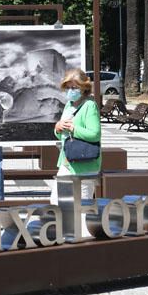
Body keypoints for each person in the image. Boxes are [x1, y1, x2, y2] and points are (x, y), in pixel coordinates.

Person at [52, 68, 102, 203]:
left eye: (74, 87)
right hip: (66, 162)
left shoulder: (89, 105)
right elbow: (63, 135)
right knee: (57, 202)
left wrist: (74, 128)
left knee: (81, 208)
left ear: (84, 87)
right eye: (68, 87)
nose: (70, 91)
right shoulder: (69, 105)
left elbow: (95, 134)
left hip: (84, 165)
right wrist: (58, 128)